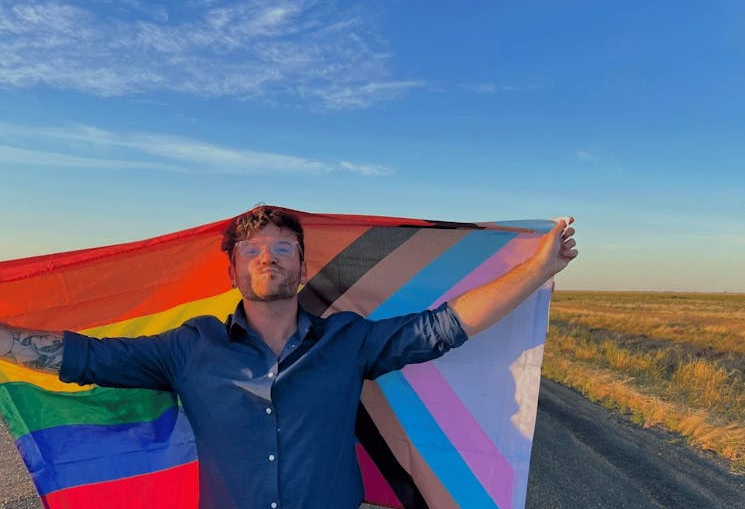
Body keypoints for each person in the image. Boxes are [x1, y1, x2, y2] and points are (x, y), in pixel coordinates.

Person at [0, 206, 577, 509]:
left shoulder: (348, 341)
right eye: (251, 251)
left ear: (303, 268)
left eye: (282, 248)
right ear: (232, 272)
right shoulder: (188, 346)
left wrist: (538, 268)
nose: (266, 258)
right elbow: (80, 357)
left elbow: (446, 326)